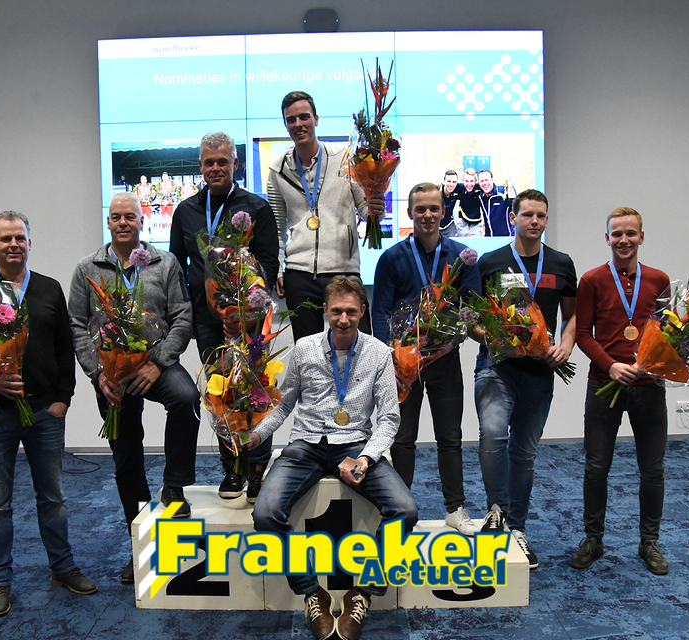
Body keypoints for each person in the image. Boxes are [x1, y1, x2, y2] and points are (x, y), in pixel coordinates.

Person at [250, 276, 418, 640]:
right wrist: (257, 434)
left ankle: (363, 592)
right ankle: (313, 592)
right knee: (265, 514)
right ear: (325, 310)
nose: (344, 319)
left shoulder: (378, 353)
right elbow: (284, 405)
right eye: (337, 310)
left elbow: (389, 418)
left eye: (352, 312)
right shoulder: (305, 348)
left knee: (405, 510)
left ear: (362, 312)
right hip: (306, 445)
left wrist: (367, 457)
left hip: (356, 444)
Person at [0, 211, 96, 617]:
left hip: (45, 411)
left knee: (53, 497)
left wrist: (64, 399)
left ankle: (62, 568)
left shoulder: (49, 288)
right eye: (5, 239)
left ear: (30, 243)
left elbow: (65, 346)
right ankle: (0, 581)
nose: (13, 244)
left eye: (20, 238)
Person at [68, 191, 199, 585]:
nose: (123, 223)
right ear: (108, 221)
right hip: (110, 375)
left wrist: (159, 363)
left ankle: (174, 486)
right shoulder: (87, 268)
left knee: (187, 398)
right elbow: (77, 325)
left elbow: (183, 318)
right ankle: (140, 544)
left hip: (154, 365)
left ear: (142, 222)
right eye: (116, 217)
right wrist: (97, 373)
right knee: (127, 457)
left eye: (130, 217)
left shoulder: (165, 263)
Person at [170, 132, 280, 502]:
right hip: (207, 320)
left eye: (222, 161)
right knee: (220, 391)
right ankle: (232, 469)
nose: (216, 168)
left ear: (235, 164)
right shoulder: (185, 211)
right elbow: (176, 266)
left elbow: (267, 264)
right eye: (209, 162)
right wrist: (201, 309)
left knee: (255, 390)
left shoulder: (257, 208)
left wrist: (244, 313)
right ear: (200, 166)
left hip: (252, 321)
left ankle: (258, 469)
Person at [473, 189, 577, 569]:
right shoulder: (490, 262)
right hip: (497, 367)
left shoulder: (561, 264)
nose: (534, 221)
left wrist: (566, 344)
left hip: (540, 372)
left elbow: (572, 316)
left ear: (547, 220)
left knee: (524, 453)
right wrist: (496, 339)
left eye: (541, 215)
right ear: (513, 217)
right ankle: (496, 514)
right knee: (493, 435)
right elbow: (472, 321)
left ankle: (517, 528)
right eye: (527, 214)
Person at [371, 182, 480, 536]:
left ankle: (455, 508)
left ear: (444, 212)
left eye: (434, 208)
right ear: (410, 213)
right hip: (404, 367)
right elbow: (380, 313)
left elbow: (472, 309)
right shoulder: (391, 259)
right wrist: (392, 358)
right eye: (421, 209)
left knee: (450, 437)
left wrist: (452, 341)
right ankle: (399, 511)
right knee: (402, 439)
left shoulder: (462, 257)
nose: (428, 215)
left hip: (445, 361)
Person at [569, 207, 671, 576]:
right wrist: (611, 365)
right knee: (596, 467)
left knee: (652, 468)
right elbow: (583, 334)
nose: (623, 240)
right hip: (603, 383)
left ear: (642, 237)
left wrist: (651, 361)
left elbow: (668, 331)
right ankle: (593, 539)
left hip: (648, 386)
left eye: (630, 233)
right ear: (607, 238)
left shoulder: (659, 280)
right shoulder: (591, 280)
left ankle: (649, 541)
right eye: (617, 234)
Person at [266, 90, 385, 341]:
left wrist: (377, 206)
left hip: (344, 270)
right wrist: (278, 270)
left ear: (316, 119)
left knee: (360, 346)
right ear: (286, 125)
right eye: (291, 120)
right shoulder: (277, 169)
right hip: (299, 273)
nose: (298, 124)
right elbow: (276, 227)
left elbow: (366, 211)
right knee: (307, 351)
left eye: (304, 117)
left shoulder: (345, 158)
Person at [478, 170, 513, 237]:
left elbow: (516, 208)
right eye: (482, 181)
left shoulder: (503, 193)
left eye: (487, 180)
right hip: (489, 237)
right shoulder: (480, 196)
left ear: (492, 180)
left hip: (506, 237)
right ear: (479, 183)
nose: (485, 183)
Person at [454, 168, 486, 237]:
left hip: (476, 220)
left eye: (471, 181)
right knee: (460, 240)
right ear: (463, 181)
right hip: (463, 220)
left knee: (478, 240)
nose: (469, 184)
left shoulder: (479, 188)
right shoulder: (459, 188)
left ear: (476, 181)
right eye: (466, 181)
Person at [439, 170, 461, 238]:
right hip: (434, 225)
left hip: (449, 224)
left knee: (454, 242)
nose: (451, 184)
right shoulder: (436, 191)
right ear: (444, 181)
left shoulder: (458, 190)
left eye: (454, 182)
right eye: (449, 181)